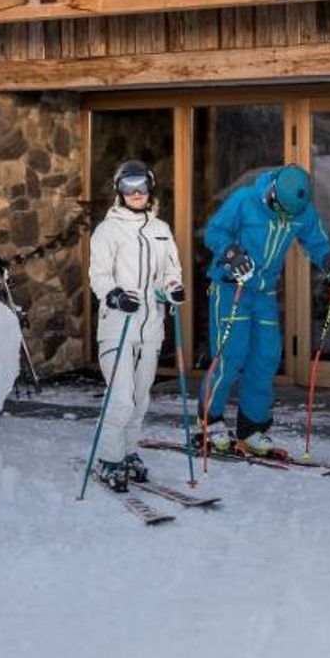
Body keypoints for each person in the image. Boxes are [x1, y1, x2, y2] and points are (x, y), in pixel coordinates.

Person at [201, 164, 330, 457]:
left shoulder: (300, 210)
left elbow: (316, 241)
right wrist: (232, 254)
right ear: (272, 195)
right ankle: (209, 420)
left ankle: (252, 428)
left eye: (291, 215)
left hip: (264, 292)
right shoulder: (245, 200)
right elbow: (214, 232)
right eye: (282, 211)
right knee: (230, 354)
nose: (286, 219)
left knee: (266, 356)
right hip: (232, 286)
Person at [87, 159, 185, 492]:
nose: (135, 193)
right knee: (121, 399)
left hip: (150, 328)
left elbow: (171, 271)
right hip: (118, 326)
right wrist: (114, 295)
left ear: (150, 188)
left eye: (140, 185)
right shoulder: (108, 230)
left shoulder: (161, 230)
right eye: (127, 186)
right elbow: (99, 275)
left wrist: (172, 289)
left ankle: (129, 453)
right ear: (118, 190)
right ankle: (108, 459)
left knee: (140, 399)